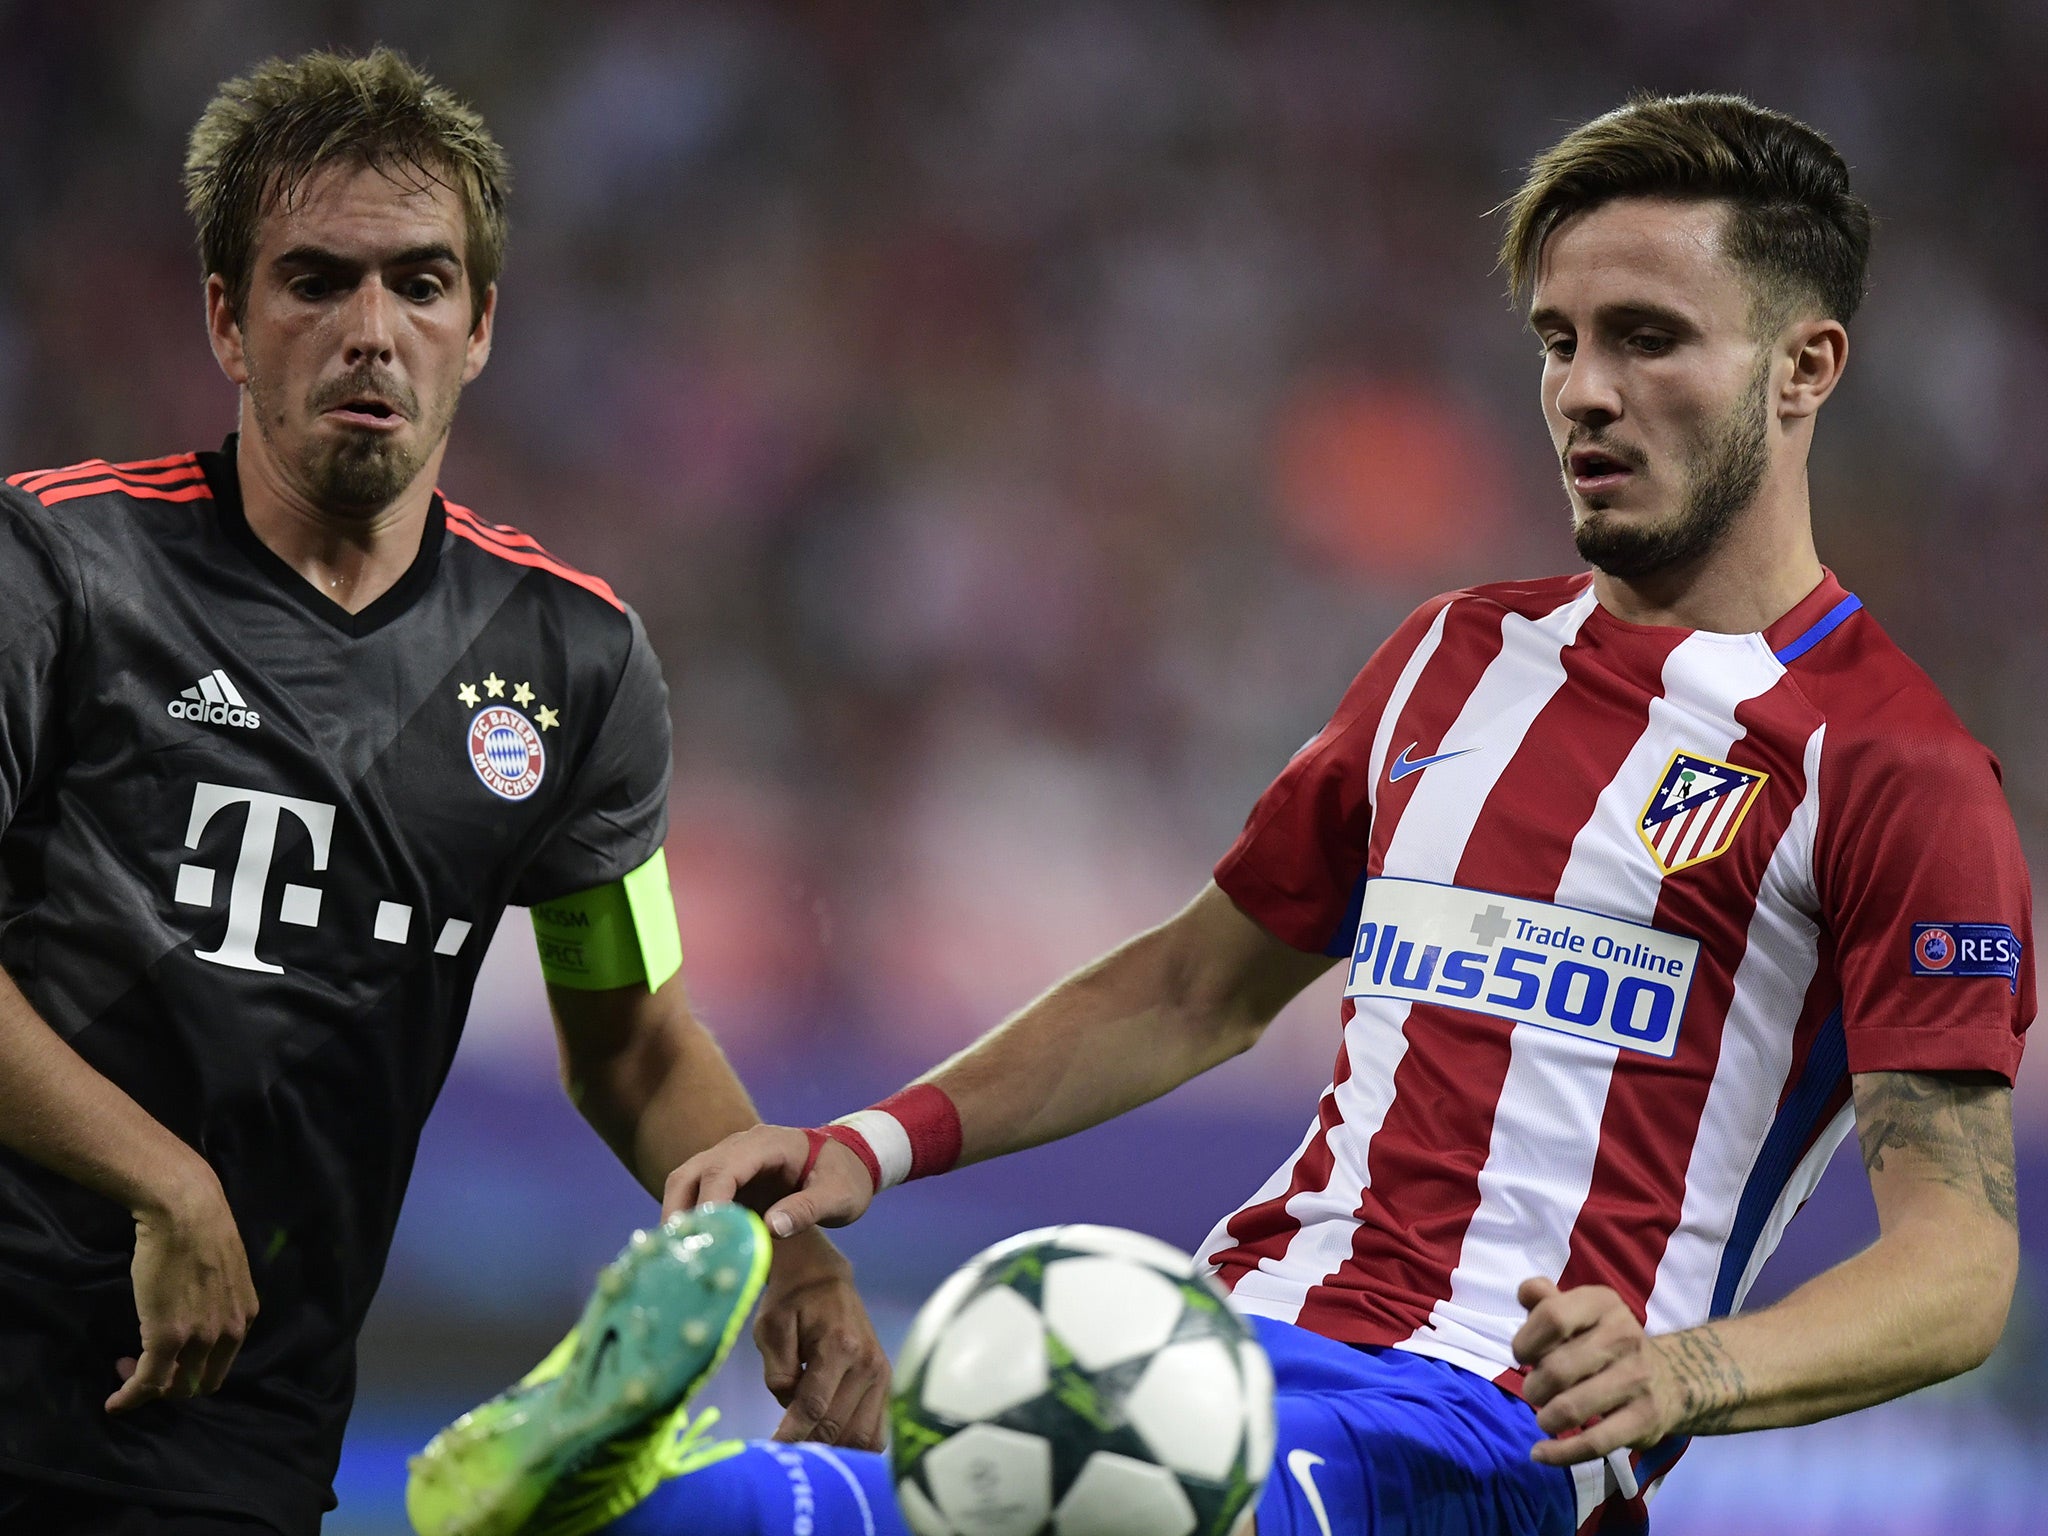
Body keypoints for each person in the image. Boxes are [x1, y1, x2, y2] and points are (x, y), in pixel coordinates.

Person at [428, 91, 2031, 1536]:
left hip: (1488, 1439)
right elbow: (1195, 984)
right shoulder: (1451, 658)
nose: (1585, 393)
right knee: (865, 1501)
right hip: (1222, 1331)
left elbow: (1957, 1267)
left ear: (1805, 365)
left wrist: (1688, 1372)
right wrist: (869, 1144)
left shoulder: (1894, 768)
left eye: (1648, 339)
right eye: (1557, 340)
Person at [0, 48, 887, 1536]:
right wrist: (165, 1180)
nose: (371, 333)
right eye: (314, 282)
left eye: (419, 284)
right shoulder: (57, 569)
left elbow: (634, 1041)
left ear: (481, 328)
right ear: (227, 317)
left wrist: (782, 1249)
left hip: (231, 1431)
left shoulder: (573, 662)